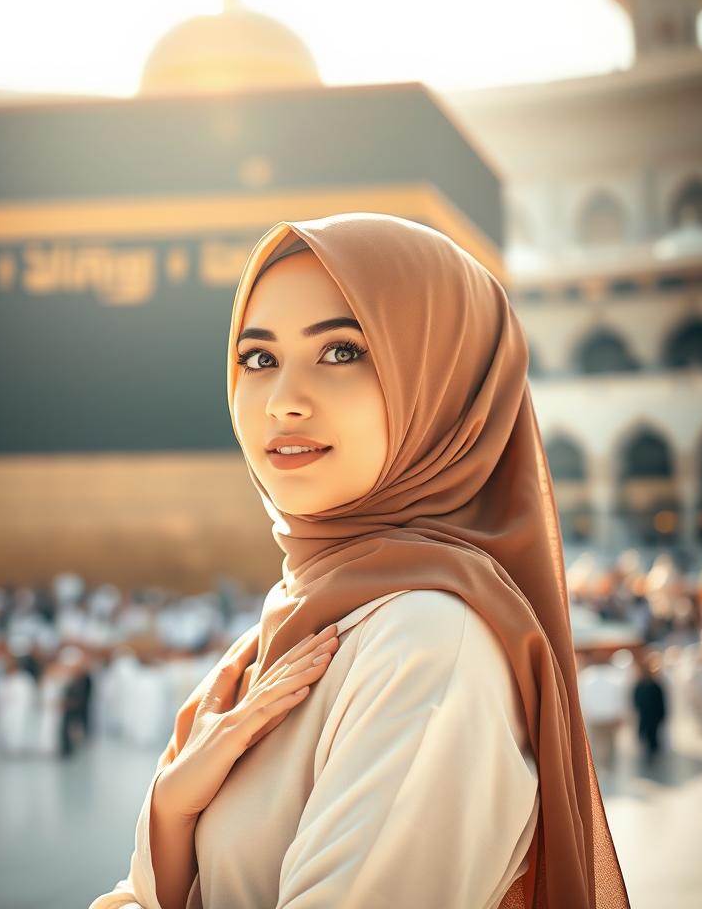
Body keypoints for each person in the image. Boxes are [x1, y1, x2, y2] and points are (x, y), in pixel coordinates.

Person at [90, 214, 630, 909]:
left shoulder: (428, 644)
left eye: (342, 351)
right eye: (258, 359)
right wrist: (169, 814)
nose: (283, 402)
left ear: (443, 386)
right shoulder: (293, 627)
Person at [0, 655, 36, 755]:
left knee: (18, 728)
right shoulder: (2, 679)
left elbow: (30, 695)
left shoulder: (24, 679)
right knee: (5, 728)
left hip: (20, 711)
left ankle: (18, 747)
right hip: (5, 710)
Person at [632, 652, 667, 764]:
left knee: (652, 735)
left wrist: (662, 714)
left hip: (654, 715)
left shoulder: (655, 685)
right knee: (643, 734)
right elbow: (635, 699)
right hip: (644, 715)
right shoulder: (639, 684)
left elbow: (660, 701)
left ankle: (652, 753)